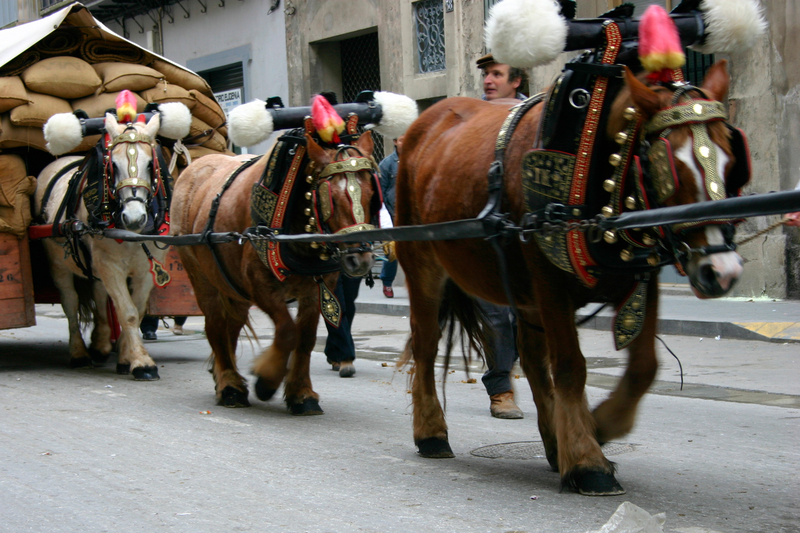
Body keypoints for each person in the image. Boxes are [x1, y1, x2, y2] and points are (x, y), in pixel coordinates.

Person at [475, 53, 526, 419]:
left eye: (497, 74)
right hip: (484, 238)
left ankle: (513, 365)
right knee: (495, 316)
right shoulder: (475, 120)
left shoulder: (535, 116)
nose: (488, 80)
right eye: (486, 75)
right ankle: (501, 388)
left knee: (527, 317)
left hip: (527, 237)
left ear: (516, 81)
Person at [378, 135, 404, 298]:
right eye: (402, 139)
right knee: (392, 252)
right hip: (392, 215)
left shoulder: (415, 158)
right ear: (395, 142)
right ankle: (387, 283)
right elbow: (381, 192)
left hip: (412, 216)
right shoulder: (386, 164)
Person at [324, 275, 362, 377]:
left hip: (352, 261)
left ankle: (333, 351)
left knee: (348, 304)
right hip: (328, 261)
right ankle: (345, 357)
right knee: (335, 304)